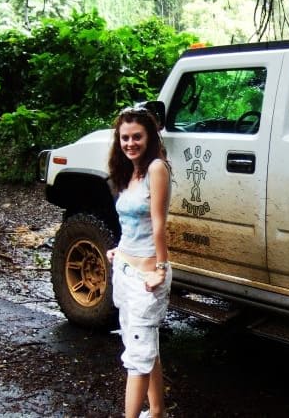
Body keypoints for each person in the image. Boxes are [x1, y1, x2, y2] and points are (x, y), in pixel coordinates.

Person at [106, 106, 172, 418]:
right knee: (144, 349)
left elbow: (159, 224)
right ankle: (157, 411)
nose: (130, 143)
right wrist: (119, 251)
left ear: (149, 137)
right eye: (125, 138)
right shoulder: (129, 172)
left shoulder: (157, 168)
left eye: (137, 137)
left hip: (148, 275)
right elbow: (132, 224)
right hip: (126, 269)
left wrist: (161, 268)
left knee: (137, 357)